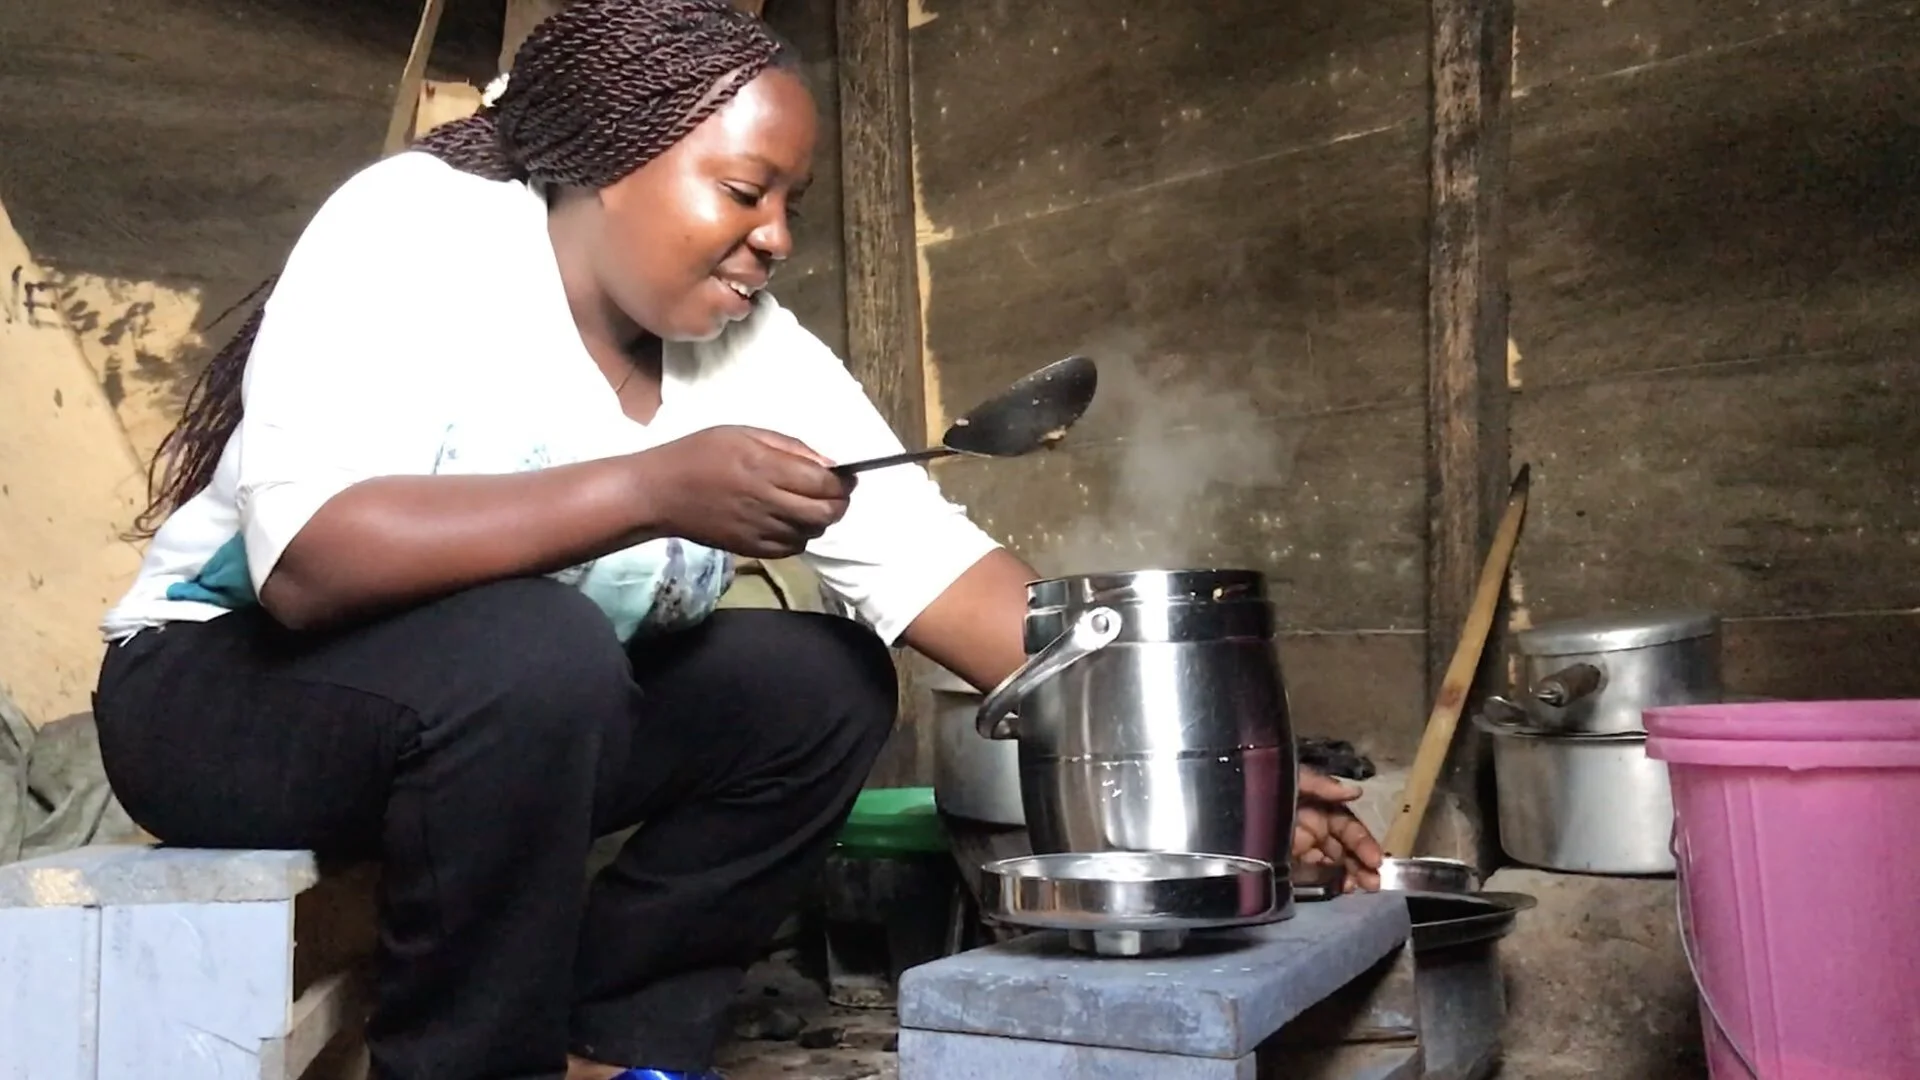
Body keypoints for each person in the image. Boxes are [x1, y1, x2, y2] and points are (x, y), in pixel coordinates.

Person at [89, 2, 1384, 1078]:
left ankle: (626, 1042)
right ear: (608, 162)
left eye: (791, 204)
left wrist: (1213, 795)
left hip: (508, 721)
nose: (774, 237)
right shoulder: (416, 230)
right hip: (227, 698)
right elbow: (313, 558)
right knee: (535, 648)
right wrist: (649, 487)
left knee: (815, 684)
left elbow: (934, 566)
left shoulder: (750, 348)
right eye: (744, 189)